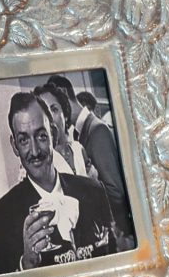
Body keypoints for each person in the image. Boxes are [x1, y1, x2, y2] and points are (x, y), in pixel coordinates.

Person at [0, 92, 117, 274]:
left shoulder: (94, 191)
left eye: (41, 136)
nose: (34, 151)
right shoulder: (0, 218)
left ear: (53, 135)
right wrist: (26, 264)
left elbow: (115, 259)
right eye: (23, 140)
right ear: (15, 145)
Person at [48, 75, 133, 244]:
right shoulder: (81, 134)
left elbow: (116, 192)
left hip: (118, 234)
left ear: (64, 94)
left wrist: (85, 190)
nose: (50, 118)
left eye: (53, 108)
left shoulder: (97, 130)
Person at [34, 82, 97, 180]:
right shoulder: (39, 160)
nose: (49, 118)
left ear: (65, 115)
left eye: (54, 109)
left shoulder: (78, 149)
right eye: (44, 113)